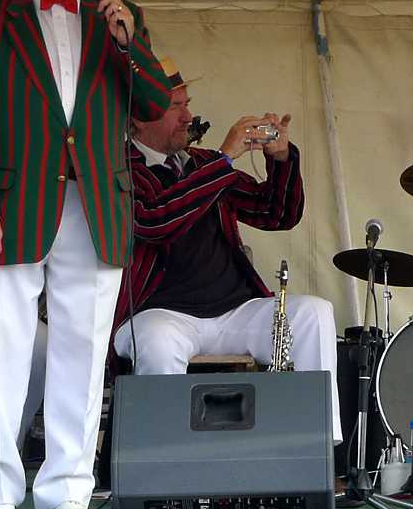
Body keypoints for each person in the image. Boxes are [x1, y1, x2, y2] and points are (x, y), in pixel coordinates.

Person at [0, 0, 171, 509]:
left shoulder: (117, 17)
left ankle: (67, 487)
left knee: (84, 344)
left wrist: (127, 37)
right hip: (12, 204)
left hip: (97, 201)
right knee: (1, 342)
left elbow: (154, 105)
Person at [111, 58, 340, 442]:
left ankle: (320, 448)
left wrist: (281, 159)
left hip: (233, 310)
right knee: (156, 342)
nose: (188, 116)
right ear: (138, 118)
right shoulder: (120, 167)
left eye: (187, 103)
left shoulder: (202, 164)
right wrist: (224, 160)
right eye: (175, 106)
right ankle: (162, 462)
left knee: (313, 313)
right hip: (157, 312)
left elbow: (276, 214)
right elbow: (155, 220)